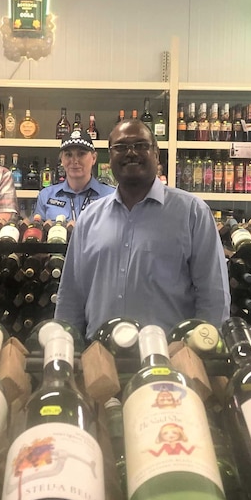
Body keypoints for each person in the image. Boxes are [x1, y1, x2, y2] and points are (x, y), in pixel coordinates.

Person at [55, 118, 230, 340]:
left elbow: (213, 296)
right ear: (110, 157)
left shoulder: (192, 213)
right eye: (120, 147)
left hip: (170, 357)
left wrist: (203, 351)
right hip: (100, 357)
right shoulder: (89, 218)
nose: (131, 153)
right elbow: (71, 296)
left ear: (156, 154)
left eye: (140, 145)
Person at [33, 130, 114, 221]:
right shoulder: (46, 196)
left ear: (94, 158)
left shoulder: (111, 196)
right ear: (62, 160)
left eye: (81, 154)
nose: (74, 161)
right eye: (68, 155)